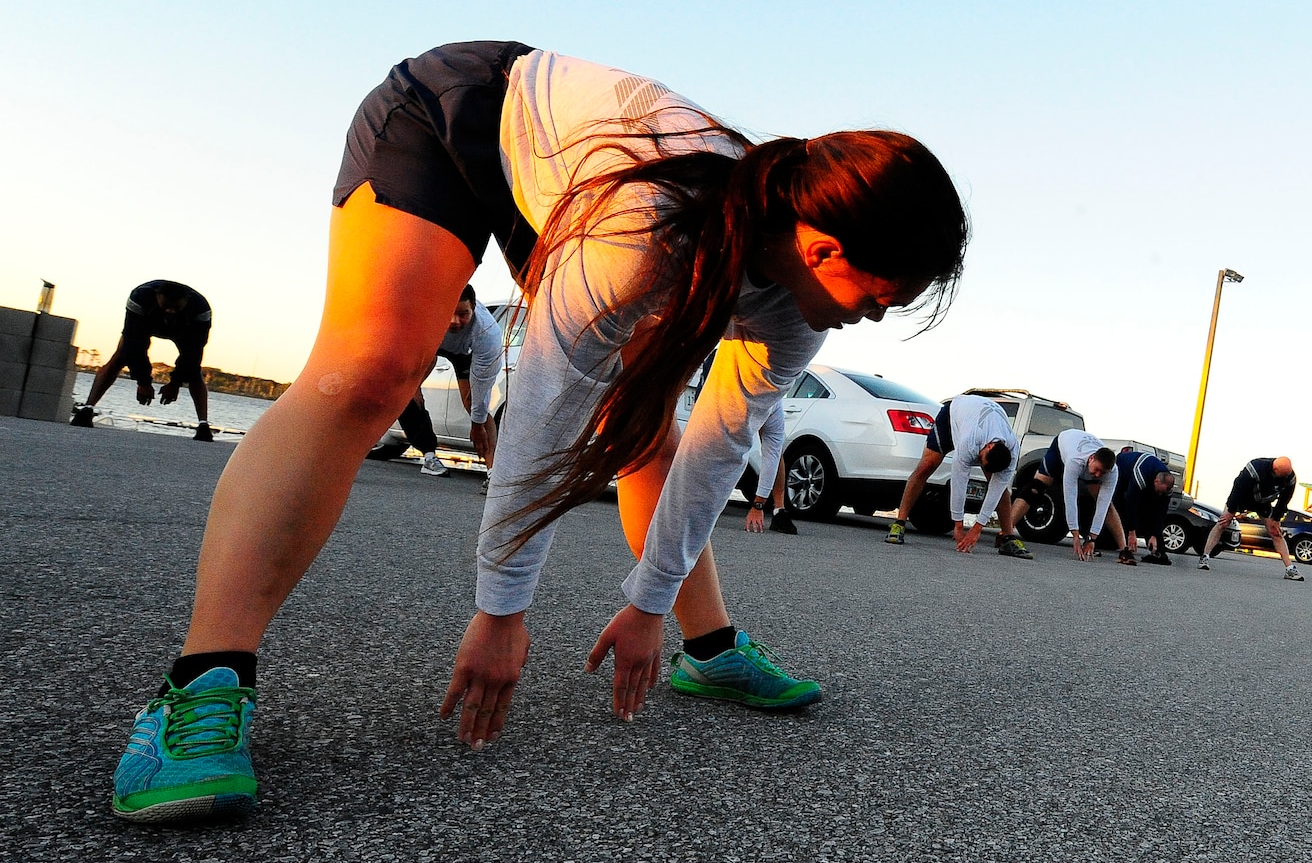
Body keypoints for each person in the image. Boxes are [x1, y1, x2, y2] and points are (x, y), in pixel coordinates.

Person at [111, 42, 968, 822]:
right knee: (371, 370)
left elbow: (715, 452)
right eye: (889, 287)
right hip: (459, 121)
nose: (885, 312)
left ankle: (704, 647)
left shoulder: (799, 316)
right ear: (821, 246)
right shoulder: (650, 223)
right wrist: (502, 610)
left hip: (571, 189)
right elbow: (546, 407)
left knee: (650, 430)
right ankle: (202, 682)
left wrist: (648, 605)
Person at [883, 393, 1028, 556]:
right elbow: (959, 483)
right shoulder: (970, 441)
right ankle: (899, 523)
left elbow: (996, 490)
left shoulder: (1012, 450)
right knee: (926, 466)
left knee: (1001, 489)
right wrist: (958, 525)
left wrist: (978, 527)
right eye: (981, 460)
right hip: (953, 415)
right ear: (988, 447)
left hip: (978, 418)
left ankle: (1007, 538)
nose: (978, 463)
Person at [71, 280, 216, 440]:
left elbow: (192, 354)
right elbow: (134, 345)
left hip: (185, 330)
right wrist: (143, 382)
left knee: (194, 370)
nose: (170, 311)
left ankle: (203, 424)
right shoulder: (139, 298)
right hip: (146, 322)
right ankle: (87, 408)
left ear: (186, 302)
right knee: (120, 356)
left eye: (176, 308)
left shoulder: (201, 310)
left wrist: (175, 383)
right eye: (166, 306)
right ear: (156, 297)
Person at [392, 285, 505, 475]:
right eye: (450, 313)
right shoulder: (421, 317)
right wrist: (413, 384)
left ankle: (493, 473)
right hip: (429, 346)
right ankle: (429, 456)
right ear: (440, 306)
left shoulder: (487, 335)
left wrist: (477, 425)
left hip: (466, 352)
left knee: (476, 407)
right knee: (407, 392)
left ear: (474, 307)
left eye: (463, 314)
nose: (455, 321)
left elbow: (481, 391)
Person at [1007, 428, 1122, 561]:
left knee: (1107, 505)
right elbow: (1070, 497)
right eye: (1097, 470)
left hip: (1084, 450)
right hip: (1063, 445)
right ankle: (1006, 533)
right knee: (1036, 487)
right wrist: (1075, 534)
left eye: (1102, 473)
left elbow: (1103, 505)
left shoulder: (1113, 472)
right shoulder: (1075, 460)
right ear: (1091, 458)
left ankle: (1124, 549)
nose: (1098, 475)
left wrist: (1092, 538)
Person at [1199, 456, 1304, 581]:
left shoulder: (1290, 477)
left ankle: (1290, 569)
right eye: (1281, 476)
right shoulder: (1256, 467)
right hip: (1242, 498)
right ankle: (1204, 557)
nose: (1284, 478)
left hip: (1263, 502)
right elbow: (1237, 488)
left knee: (1275, 532)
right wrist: (1231, 511)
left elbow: (1284, 500)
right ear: (1274, 469)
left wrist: (1276, 518)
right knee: (1222, 523)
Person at [1112, 448, 1176, 565]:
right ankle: (1122, 542)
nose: (1160, 494)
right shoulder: (1140, 475)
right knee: (1118, 504)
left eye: (1163, 493)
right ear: (1156, 481)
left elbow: (1160, 513)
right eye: (1159, 491)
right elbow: (1131, 505)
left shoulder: (1166, 488)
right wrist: (1132, 532)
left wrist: (1154, 534)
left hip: (1145, 478)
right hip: (1122, 469)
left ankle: (1158, 551)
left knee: (1150, 510)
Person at [743, 402, 797, 535]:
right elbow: (772, 454)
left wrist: (758, 505)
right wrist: (758, 506)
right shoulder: (774, 400)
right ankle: (779, 509)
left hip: (736, 397)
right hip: (769, 398)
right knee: (774, 449)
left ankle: (703, 504)